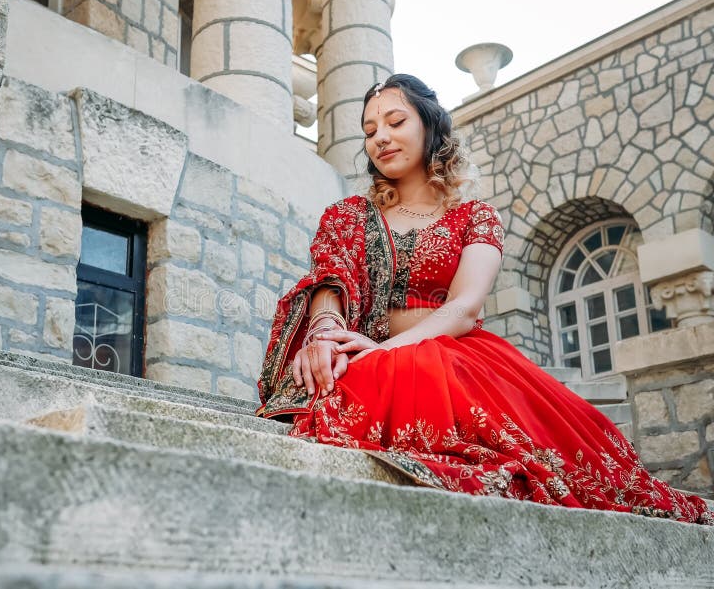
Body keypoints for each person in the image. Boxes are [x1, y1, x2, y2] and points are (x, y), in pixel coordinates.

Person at [256, 73, 712, 525]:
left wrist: (385, 351)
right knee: (341, 382)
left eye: (396, 122)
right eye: (370, 131)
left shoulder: (474, 217)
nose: (382, 138)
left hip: (450, 357)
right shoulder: (348, 216)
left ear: (431, 126)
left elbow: (464, 306)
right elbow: (329, 279)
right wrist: (325, 332)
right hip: (365, 355)